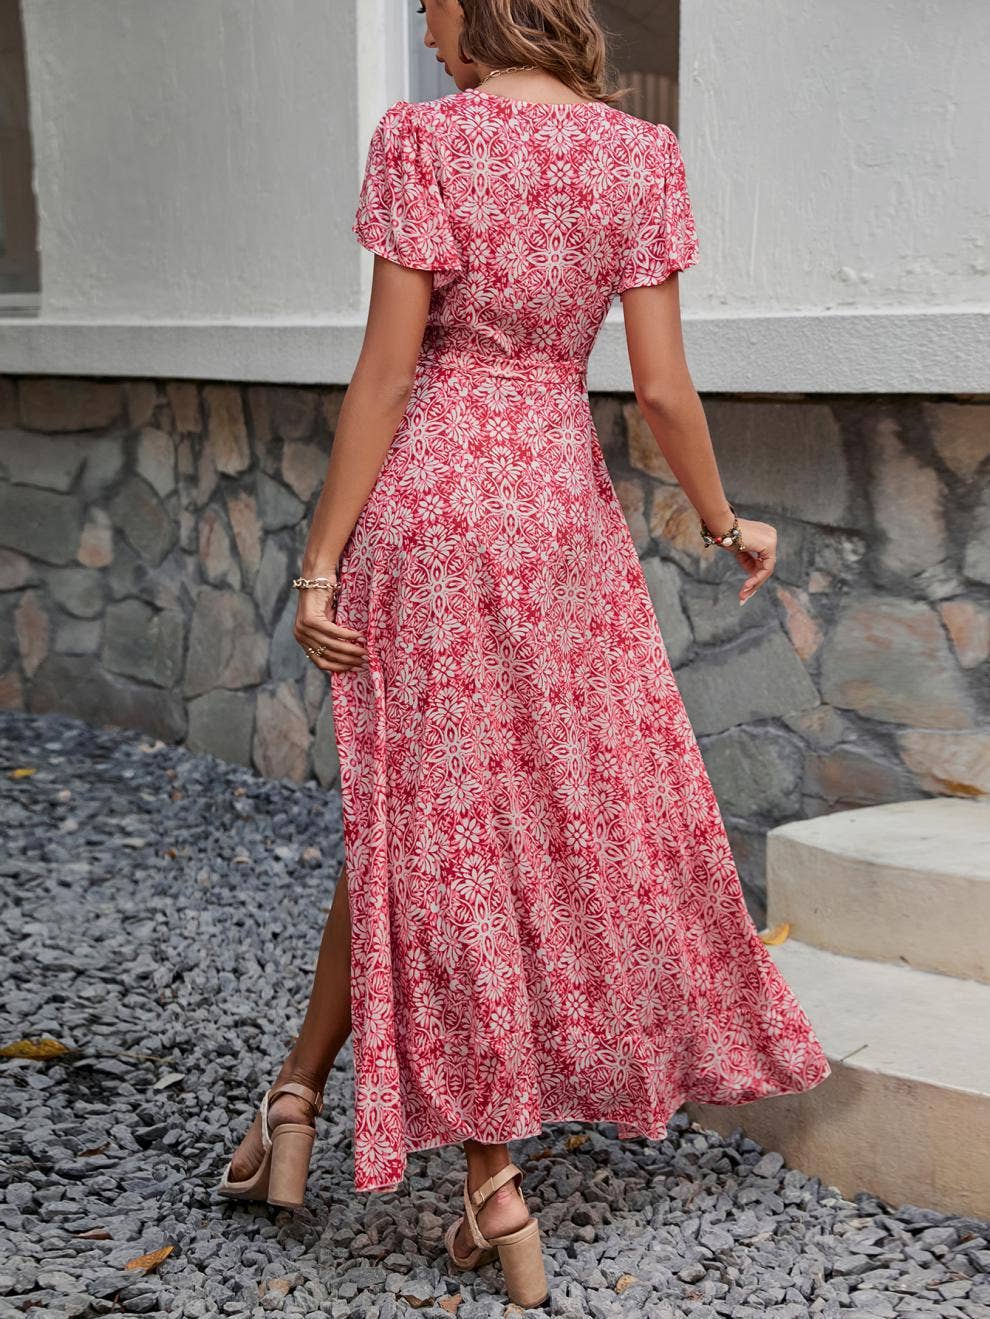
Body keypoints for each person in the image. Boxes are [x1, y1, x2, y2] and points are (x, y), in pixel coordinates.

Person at [216, 0, 832, 1307]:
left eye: (431, 4)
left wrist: (319, 562)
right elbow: (659, 389)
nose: (424, 26)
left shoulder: (424, 141)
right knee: (451, 818)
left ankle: (488, 1179)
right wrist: (724, 521)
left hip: (435, 507)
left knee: (435, 819)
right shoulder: (639, 155)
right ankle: (299, 1098)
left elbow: (386, 375)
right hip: (557, 515)